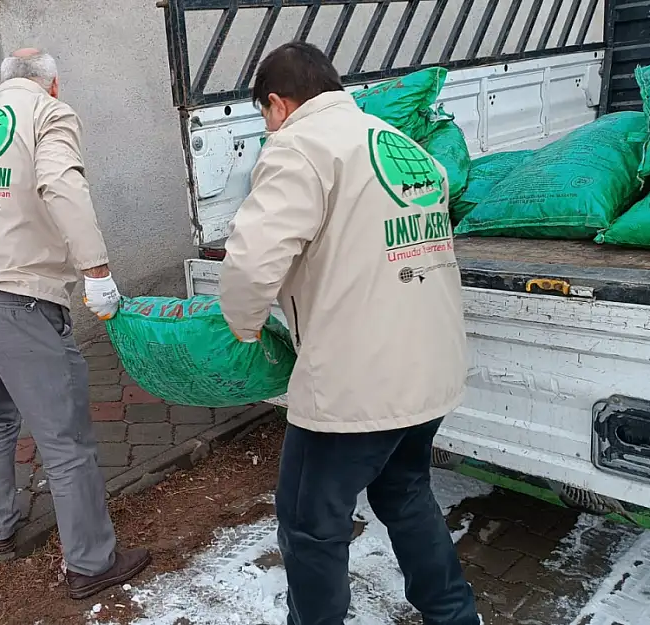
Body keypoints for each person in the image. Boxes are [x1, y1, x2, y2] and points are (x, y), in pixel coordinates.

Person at [219, 42, 479, 625]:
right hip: (429, 367)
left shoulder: (300, 148)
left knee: (311, 523)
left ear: (278, 104)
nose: (268, 126)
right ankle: (455, 616)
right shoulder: (399, 144)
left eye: (265, 114)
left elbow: (251, 261)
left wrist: (241, 324)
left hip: (356, 384)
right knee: (404, 493)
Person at [0, 48, 150, 600]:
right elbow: (62, 186)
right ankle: (91, 561)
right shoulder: (49, 115)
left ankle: (0, 525)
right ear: (52, 85)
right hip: (18, 299)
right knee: (65, 440)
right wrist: (97, 271)